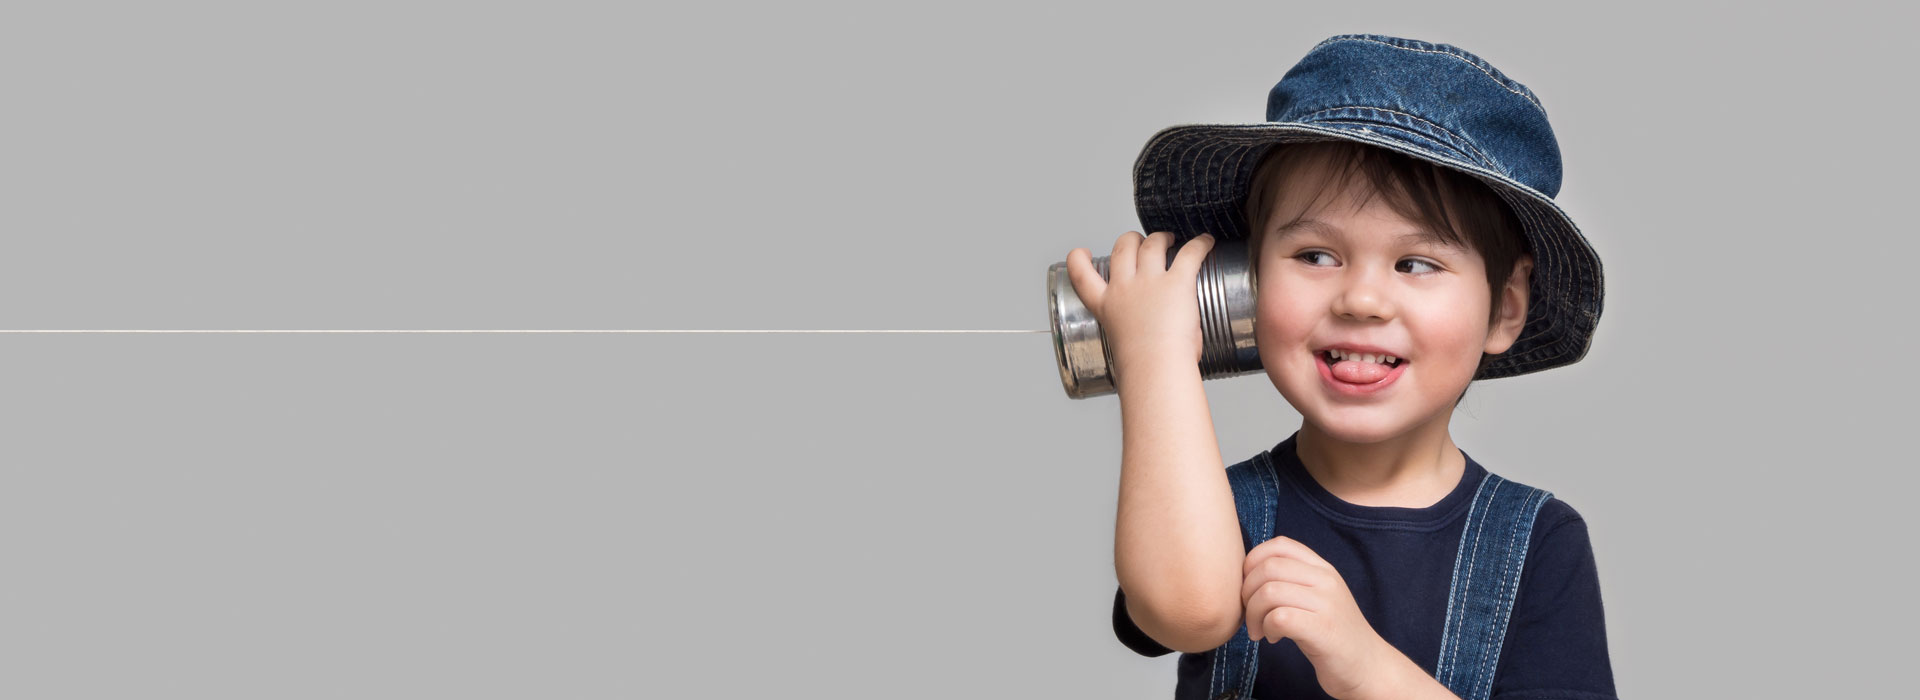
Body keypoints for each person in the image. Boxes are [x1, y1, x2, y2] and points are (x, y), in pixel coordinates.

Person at [1064, 35, 1615, 700]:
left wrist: (1365, 666)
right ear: (1248, 280)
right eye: (1316, 256)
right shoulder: (1215, 508)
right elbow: (1185, 611)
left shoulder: (1537, 546)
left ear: (1505, 308)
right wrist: (1154, 358)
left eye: (1416, 264)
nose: (1360, 300)